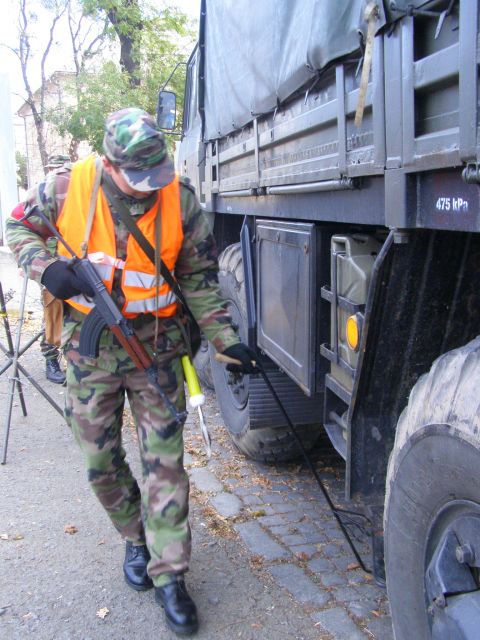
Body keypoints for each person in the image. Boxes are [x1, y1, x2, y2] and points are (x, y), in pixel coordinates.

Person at [6, 108, 255, 636]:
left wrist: (225, 340)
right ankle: (135, 539)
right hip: (90, 352)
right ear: (109, 163)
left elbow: (199, 278)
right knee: (100, 461)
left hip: (157, 349)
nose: (148, 185)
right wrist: (48, 269)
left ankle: (170, 575)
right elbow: (17, 225)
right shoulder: (65, 187)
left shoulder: (179, 197)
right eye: (136, 176)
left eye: (155, 173)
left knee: (165, 463)